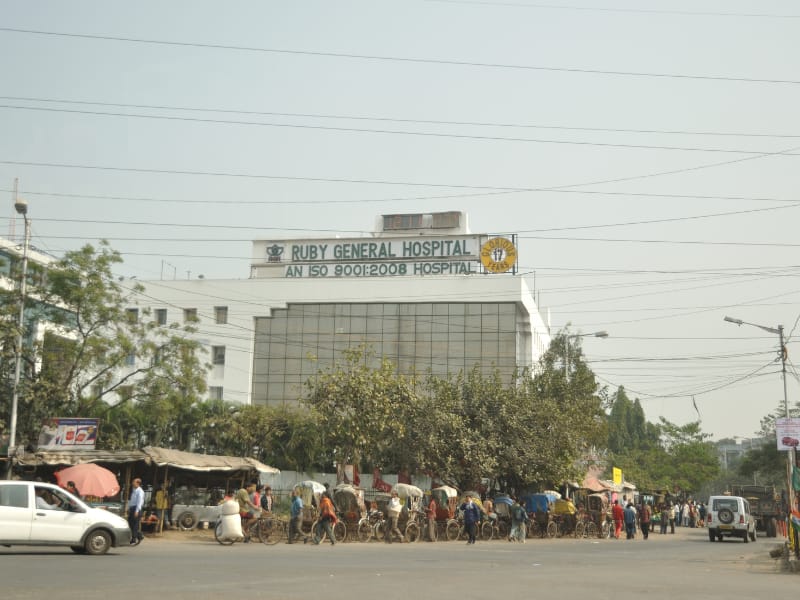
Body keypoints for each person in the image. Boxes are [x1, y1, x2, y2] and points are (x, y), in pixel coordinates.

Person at [128, 478, 145, 545]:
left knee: (135, 525)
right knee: (130, 523)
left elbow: (139, 502)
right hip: (132, 508)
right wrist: (129, 508)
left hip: (136, 509)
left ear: (138, 483)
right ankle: (139, 535)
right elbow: (132, 500)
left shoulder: (140, 491)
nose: (132, 483)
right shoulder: (134, 490)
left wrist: (137, 511)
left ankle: (134, 539)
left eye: (134, 482)